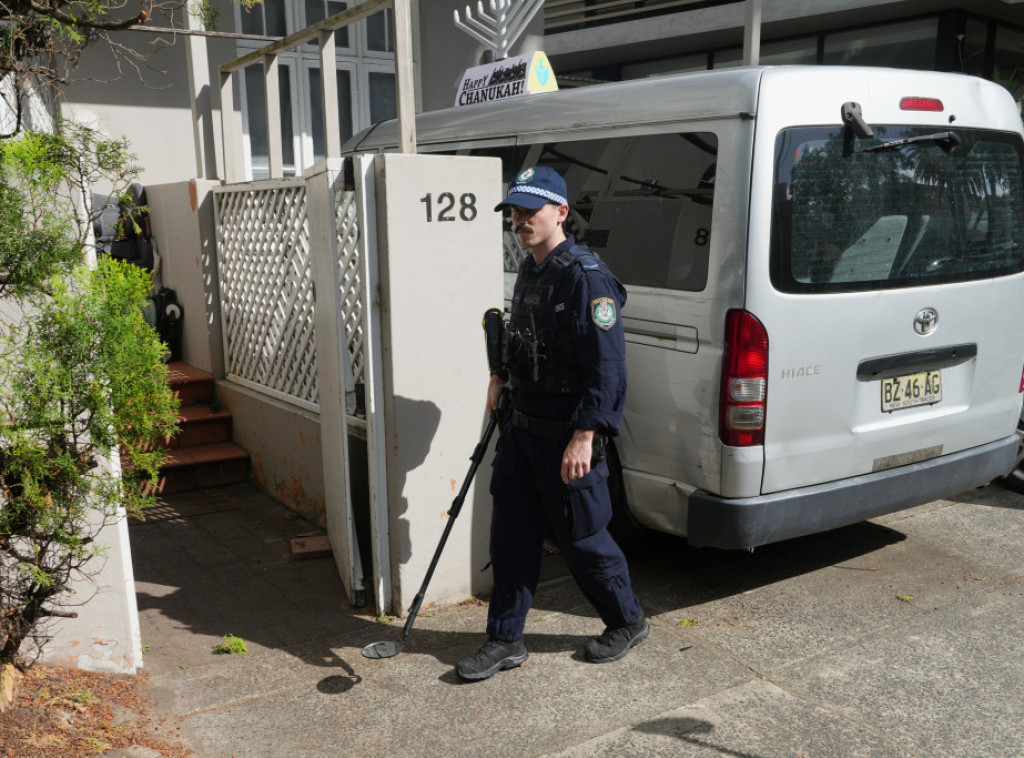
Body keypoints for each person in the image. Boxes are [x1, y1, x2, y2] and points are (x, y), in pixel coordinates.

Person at [456, 166, 647, 682]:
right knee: (510, 539)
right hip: (521, 431)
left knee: (582, 539)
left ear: (561, 212)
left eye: (530, 211)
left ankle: (627, 620)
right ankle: (504, 639)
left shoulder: (586, 278)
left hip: (566, 435)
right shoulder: (531, 271)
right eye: (514, 212)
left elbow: (607, 368)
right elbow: (523, 340)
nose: (520, 221)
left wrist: (585, 436)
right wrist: (498, 377)